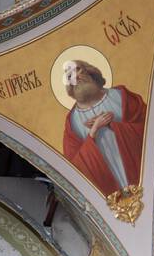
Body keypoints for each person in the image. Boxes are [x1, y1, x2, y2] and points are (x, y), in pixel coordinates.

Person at [60, 60, 146, 196]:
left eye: (78, 70)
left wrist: (112, 125)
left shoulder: (120, 96)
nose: (76, 77)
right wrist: (94, 131)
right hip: (109, 189)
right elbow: (75, 167)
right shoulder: (72, 122)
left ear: (90, 72)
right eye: (70, 76)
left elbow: (150, 129)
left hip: (140, 174)